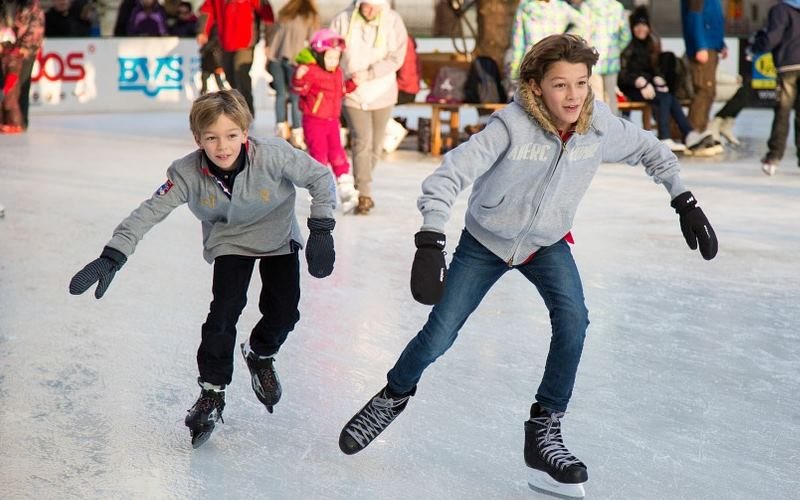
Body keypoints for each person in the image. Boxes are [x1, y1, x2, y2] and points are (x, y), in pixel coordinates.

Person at [337, 34, 718, 499]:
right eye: (561, 85)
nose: (574, 95)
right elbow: (448, 175)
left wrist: (684, 199)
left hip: (546, 243)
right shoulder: (510, 126)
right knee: (439, 334)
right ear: (536, 87)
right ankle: (393, 395)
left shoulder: (598, 127)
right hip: (485, 242)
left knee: (574, 322)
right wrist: (431, 239)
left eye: (581, 83)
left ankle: (545, 429)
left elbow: (652, 151)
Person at [68, 89, 337, 448]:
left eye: (231, 135)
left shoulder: (273, 155)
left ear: (245, 132)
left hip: (277, 237)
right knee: (223, 314)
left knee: (284, 312)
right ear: (198, 139)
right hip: (229, 241)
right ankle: (212, 391)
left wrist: (321, 227)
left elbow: (321, 178)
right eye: (211, 138)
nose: (222, 146)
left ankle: (260, 353)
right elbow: (149, 211)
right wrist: (114, 253)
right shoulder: (185, 173)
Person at [330, 0, 408, 215]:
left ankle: (361, 181)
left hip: (382, 90)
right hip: (352, 91)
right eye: (367, 6)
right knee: (362, 141)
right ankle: (364, 192)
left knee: (375, 145)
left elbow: (396, 57)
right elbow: (330, 48)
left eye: (375, 7)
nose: (371, 11)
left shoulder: (393, 21)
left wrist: (371, 73)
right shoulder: (343, 20)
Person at [618, 6, 711, 154]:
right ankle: (664, 137)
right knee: (663, 98)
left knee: (669, 97)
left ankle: (689, 134)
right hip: (631, 87)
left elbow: (653, 68)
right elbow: (623, 74)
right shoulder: (628, 46)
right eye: (637, 26)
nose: (640, 29)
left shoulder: (650, 44)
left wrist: (657, 78)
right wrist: (639, 81)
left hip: (648, 85)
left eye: (643, 25)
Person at [292, 29, 358, 213]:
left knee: (338, 154)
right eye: (329, 58)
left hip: (332, 121)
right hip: (314, 121)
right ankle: (320, 193)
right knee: (319, 156)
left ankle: (346, 188)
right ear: (319, 56)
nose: (333, 62)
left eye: (336, 58)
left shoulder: (337, 73)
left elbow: (340, 91)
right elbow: (300, 90)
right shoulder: (311, 71)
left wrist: (352, 84)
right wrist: (299, 77)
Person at [197, 0, 274, 116]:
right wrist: (202, 31)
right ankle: (238, 107)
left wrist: (269, 40)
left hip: (246, 42)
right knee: (229, 75)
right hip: (225, 42)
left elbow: (267, 15)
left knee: (240, 73)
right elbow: (207, 10)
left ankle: (247, 111)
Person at [751, 0, 800, 176]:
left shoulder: (780, 9)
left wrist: (756, 47)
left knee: (783, 111)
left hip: (788, 65)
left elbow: (773, 36)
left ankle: (774, 157)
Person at [265, 0, 318, 150]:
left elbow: (273, 37)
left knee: (281, 95)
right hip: (295, 61)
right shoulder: (309, 16)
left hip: (276, 58)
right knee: (296, 98)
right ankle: (297, 133)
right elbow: (313, 41)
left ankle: (281, 130)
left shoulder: (284, 14)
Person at [680, 0, 726, 155]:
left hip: (711, 45)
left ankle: (700, 131)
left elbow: (714, 19)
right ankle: (694, 135)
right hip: (703, 48)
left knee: (709, 92)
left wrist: (720, 43)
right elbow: (694, 17)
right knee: (703, 90)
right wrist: (700, 46)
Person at [509, 0, 586, 83]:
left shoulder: (525, 6)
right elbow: (583, 23)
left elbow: (518, 43)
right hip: (553, 56)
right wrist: (564, 40)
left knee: (533, 91)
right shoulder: (560, 6)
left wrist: (514, 72)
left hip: (534, 58)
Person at [0, 0, 43, 134]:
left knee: (20, 84)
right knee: (7, 84)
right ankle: (6, 120)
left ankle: (20, 121)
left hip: (26, 50)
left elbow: (33, 28)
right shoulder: (6, 4)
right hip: (8, 48)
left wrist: (21, 48)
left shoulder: (30, 5)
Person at [579, 0, 628, 116]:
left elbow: (583, 34)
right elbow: (626, 35)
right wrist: (616, 50)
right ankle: (614, 130)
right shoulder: (617, 7)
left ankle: (598, 130)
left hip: (593, 59)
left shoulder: (587, 6)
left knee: (596, 97)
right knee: (611, 97)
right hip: (612, 59)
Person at [396, 34, 420, 105]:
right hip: (408, 91)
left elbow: (405, 77)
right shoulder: (409, 47)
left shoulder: (406, 49)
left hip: (405, 92)